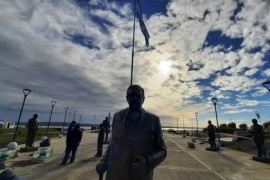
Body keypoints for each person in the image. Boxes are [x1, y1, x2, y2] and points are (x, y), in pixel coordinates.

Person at [96, 84, 167, 180]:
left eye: (138, 96)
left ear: (143, 98)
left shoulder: (153, 120)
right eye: (131, 96)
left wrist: (148, 163)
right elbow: (114, 142)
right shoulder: (117, 117)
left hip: (140, 175)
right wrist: (104, 160)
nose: (134, 98)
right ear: (127, 98)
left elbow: (162, 150)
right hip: (115, 174)